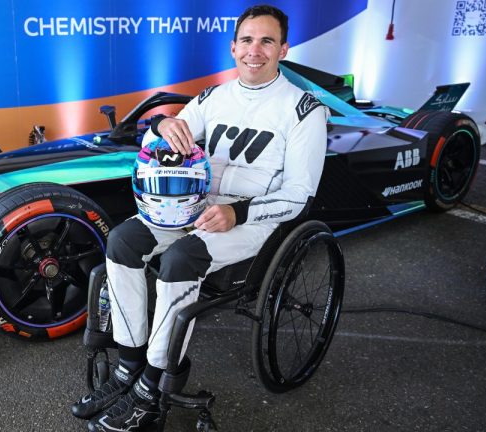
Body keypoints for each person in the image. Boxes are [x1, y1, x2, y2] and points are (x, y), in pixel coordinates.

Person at [72, 4, 329, 431]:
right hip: (193, 205)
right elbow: (167, 130)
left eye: (267, 41)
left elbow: (300, 197)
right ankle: (128, 365)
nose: (255, 50)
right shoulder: (214, 96)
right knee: (121, 241)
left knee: (179, 261)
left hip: (252, 219)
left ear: (284, 49)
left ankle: (152, 385)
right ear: (233, 48)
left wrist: (237, 211)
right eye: (247, 40)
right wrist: (162, 126)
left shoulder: (304, 110)